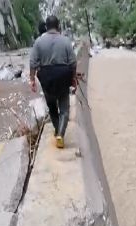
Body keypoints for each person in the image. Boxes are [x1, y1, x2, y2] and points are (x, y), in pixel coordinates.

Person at [29, 15, 77, 148]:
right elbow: (73, 62)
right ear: (58, 26)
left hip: (46, 78)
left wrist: (32, 79)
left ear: (46, 27)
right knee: (64, 108)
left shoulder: (38, 42)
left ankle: (57, 131)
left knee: (51, 106)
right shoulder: (66, 41)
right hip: (63, 76)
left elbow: (33, 62)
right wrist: (73, 79)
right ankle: (61, 133)